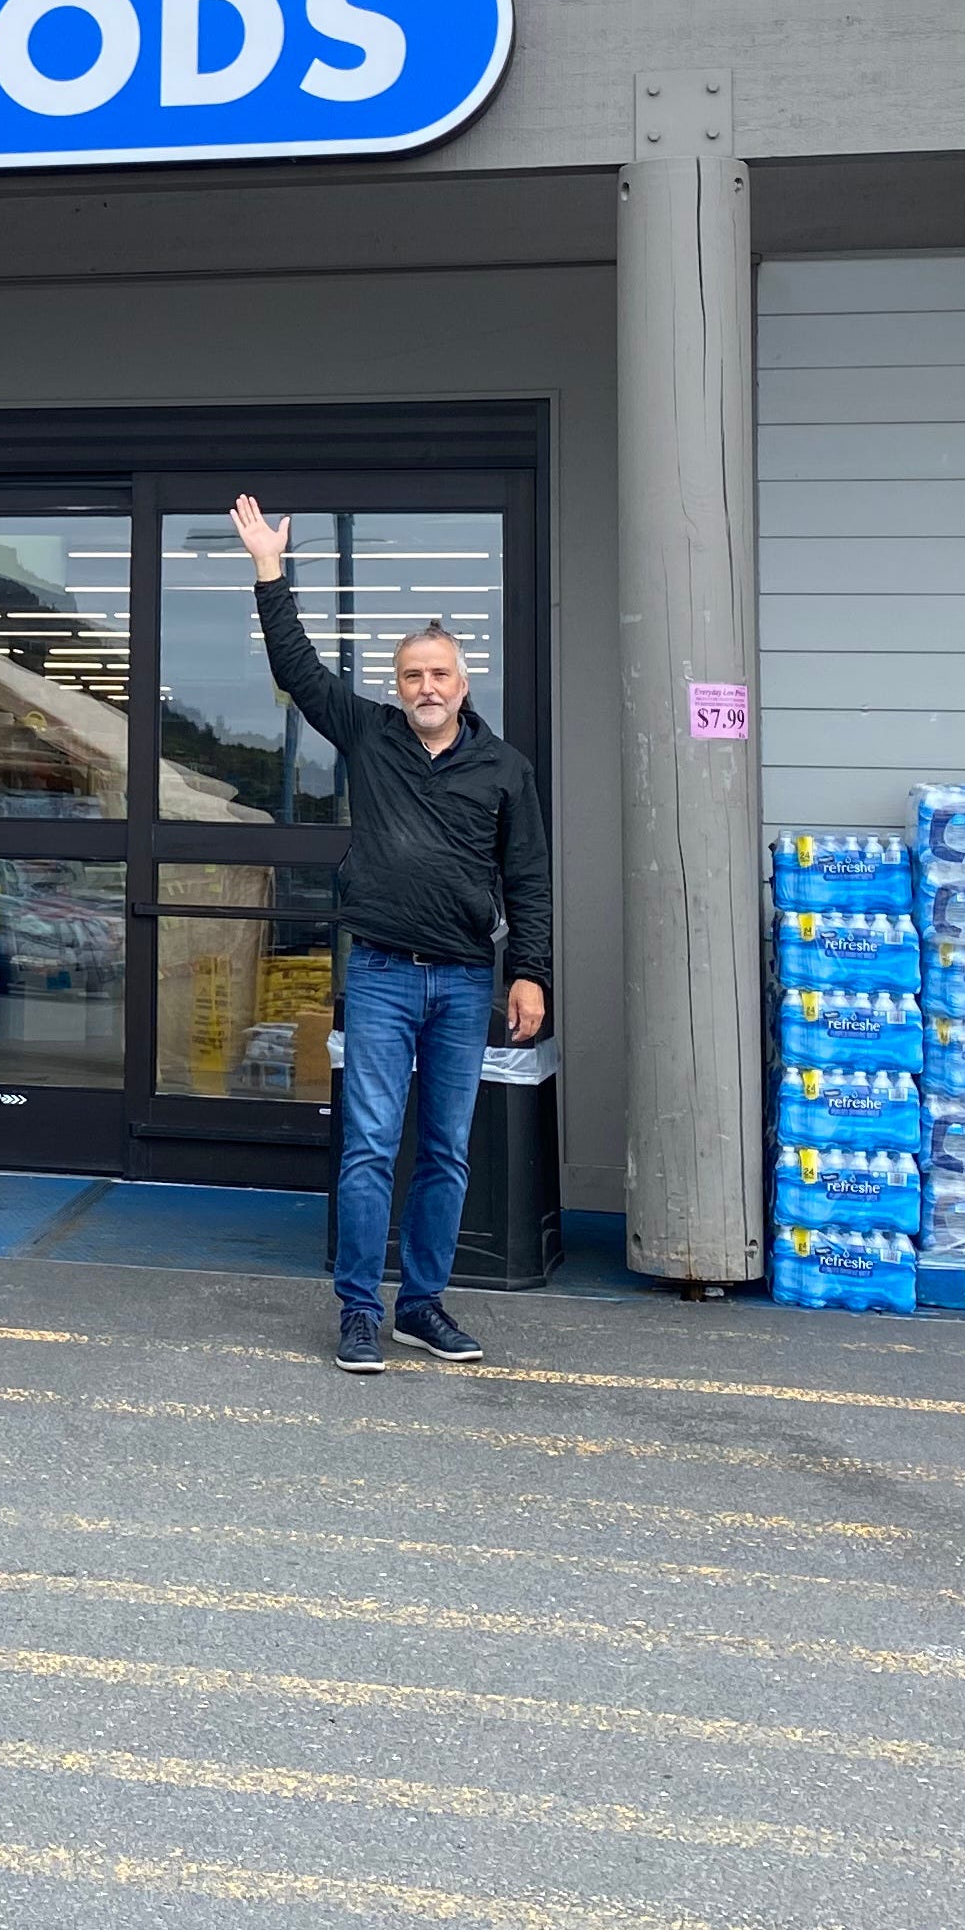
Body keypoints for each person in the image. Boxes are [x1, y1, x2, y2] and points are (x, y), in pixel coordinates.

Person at [230, 494, 551, 1374]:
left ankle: (423, 1306)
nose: (426, 688)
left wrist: (530, 973)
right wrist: (269, 568)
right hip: (378, 973)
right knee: (371, 1147)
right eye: (412, 675)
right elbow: (297, 668)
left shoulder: (504, 770)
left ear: (464, 682)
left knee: (445, 1153)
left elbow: (528, 879)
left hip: (459, 981)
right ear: (397, 684)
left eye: (439, 674)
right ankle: (358, 1311)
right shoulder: (369, 735)